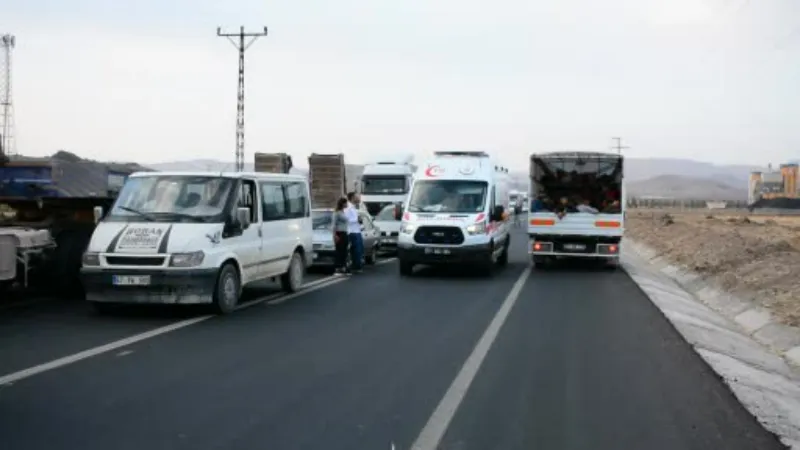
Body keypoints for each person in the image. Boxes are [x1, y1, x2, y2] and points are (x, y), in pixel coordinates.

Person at [345, 192, 364, 273]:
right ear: (352, 198)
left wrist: (359, 221)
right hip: (352, 232)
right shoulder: (348, 207)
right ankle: (355, 267)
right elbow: (346, 219)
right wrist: (357, 220)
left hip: (357, 231)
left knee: (359, 250)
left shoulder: (354, 207)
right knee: (356, 250)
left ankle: (357, 266)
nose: (359, 198)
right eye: (357, 197)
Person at [332, 197, 350, 274]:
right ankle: (338, 267)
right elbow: (333, 224)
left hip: (345, 233)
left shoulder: (343, 212)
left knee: (344, 251)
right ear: (342, 203)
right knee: (339, 250)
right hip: (339, 233)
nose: (347, 204)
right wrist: (334, 235)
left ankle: (343, 266)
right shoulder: (337, 213)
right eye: (346, 203)